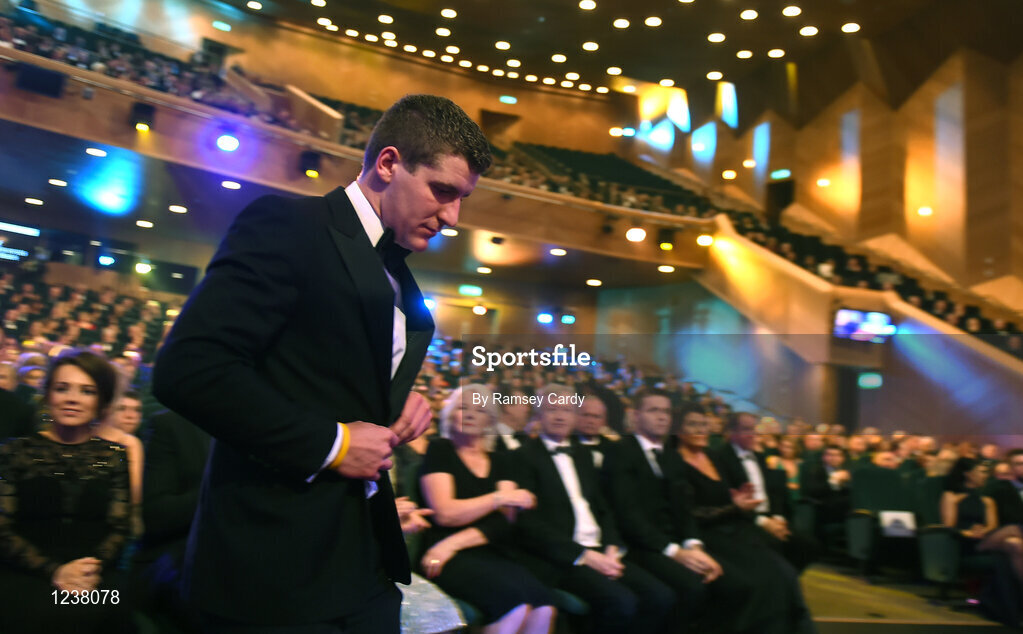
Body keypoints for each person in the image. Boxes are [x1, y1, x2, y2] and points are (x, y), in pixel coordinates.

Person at [152, 94, 491, 632]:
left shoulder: (399, 272)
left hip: (362, 558)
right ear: (387, 164)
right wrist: (332, 444)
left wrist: (400, 406)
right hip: (274, 564)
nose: (453, 216)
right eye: (443, 191)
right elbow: (189, 368)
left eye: (462, 199)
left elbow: (328, 375)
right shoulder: (289, 224)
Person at [513, 383, 675, 634]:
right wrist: (584, 556)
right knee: (621, 602)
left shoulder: (583, 456)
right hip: (562, 557)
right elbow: (529, 525)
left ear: (574, 416)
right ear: (538, 415)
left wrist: (612, 547)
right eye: (551, 409)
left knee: (661, 596)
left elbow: (603, 508)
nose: (559, 416)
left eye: (566, 410)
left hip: (601, 550)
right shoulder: (522, 457)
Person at [0, 350, 135, 633]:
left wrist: (85, 570)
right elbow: (3, 530)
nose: (72, 399)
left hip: (93, 574)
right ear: (48, 395)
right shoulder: (14, 452)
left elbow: (120, 528)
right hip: (26, 571)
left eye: (87, 391)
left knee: (102, 612)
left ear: (101, 401)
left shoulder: (114, 456)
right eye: (62, 388)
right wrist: (55, 571)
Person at [605, 389, 751, 633]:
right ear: (636, 416)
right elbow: (627, 516)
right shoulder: (621, 451)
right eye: (654, 410)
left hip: (675, 544)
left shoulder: (671, 457)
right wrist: (675, 552)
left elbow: (684, 510)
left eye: (665, 411)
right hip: (641, 545)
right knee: (692, 588)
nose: (662, 417)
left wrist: (694, 546)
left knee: (738, 587)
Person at [418, 384, 555, 633]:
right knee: (515, 608)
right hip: (445, 557)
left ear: (490, 420)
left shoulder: (502, 459)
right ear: (450, 414)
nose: (470, 414)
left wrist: (453, 543)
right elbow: (446, 513)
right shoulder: (440, 450)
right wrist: (499, 498)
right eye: (462, 408)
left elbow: (505, 521)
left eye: (479, 410)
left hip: (481, 549)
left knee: (543, 607)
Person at [676, 408, 815, 634]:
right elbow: (690, 512)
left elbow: (732, 495)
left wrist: (739, 502)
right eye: (693, 424)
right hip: (707, 534)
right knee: (761, 581)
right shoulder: (676, 462)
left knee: (784, 575)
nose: (700, 430)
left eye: (704, 424)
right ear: (679, 430)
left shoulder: (713, 457)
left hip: (735, 527)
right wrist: (734, 507)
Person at [714, 412, 817, 572]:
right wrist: (763, 522)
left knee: (809, 546)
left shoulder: (759, 456)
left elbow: (772, 491)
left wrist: (777, 518)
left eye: (754, 429)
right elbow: (729, 500)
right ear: (733, 431)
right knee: (774, 547)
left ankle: (785, 586)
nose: (752, 434)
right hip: (745, 520)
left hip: (769, 516)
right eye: (746, 429)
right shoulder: (721, 457)